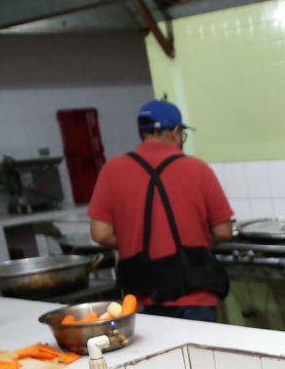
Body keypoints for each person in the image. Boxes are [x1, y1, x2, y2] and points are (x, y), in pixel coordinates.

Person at [89, 99, 234, 322]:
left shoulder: (112, 170)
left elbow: (101, 234)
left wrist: (133, 240)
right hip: (194, 295)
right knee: (200, 357)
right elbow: (224, 231)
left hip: (142, 295)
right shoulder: (197, 168)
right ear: (176, 131)